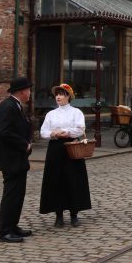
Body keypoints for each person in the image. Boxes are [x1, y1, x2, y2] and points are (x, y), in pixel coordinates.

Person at [0, 76, 34, 243]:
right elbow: (4, 133)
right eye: (28, 90)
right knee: (11, 195)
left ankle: (13, 226)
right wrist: (24, 145)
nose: (30, 93)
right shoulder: (8, 107)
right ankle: (5, 231)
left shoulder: (16, 106)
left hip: (17, 160)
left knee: (18, 194)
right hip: (11, 159)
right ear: (21, 91)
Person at [39, 84, 92, 228]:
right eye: (57, 94)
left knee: (73, 179)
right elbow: (43, 131)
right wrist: (53, 133)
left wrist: (67, 133)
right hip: (55, 149)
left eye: (62, 94)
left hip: (72, 147)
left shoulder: (76, 112)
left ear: (68, 96)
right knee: (56, 181)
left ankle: (74, 214)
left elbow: (80, 128)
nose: (58, 97)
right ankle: (59, 215)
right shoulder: (51, 114)